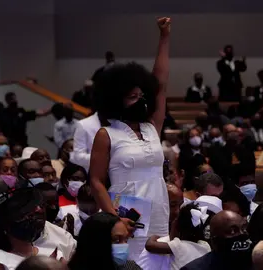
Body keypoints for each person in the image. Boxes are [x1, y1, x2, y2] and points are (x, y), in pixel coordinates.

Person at [89, 17, 171, 260]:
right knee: (126, 263)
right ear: (116, 99)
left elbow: (161, 84)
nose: (141, 100)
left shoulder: (152, 126)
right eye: (133, 96)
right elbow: (95, 181)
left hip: (158, 209)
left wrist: (165, 37)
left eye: (141, 95)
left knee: (159, 262)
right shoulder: (107, 134)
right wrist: (114, 218)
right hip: (125, 215)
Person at [0, 188, 76, 269]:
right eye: (28, 212)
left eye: (40, 206)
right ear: (7, 224)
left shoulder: (55, 256)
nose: (39, 210)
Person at [143, 203, 211, 270]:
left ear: (178, 230)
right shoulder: (205, 245)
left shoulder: (179, 246)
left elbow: (150, 245)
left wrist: (154, 237)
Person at [181, 210, 252, 270]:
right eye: (232, 231)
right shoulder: (194, 268)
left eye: (244, 228)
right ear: (215, 239)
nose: (242, 234)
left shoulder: (258, 262)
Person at [68, 212, 141, 270]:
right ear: (96, 243)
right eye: (117, 240)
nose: (124, 246)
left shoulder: (131, 268)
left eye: (126, 239)